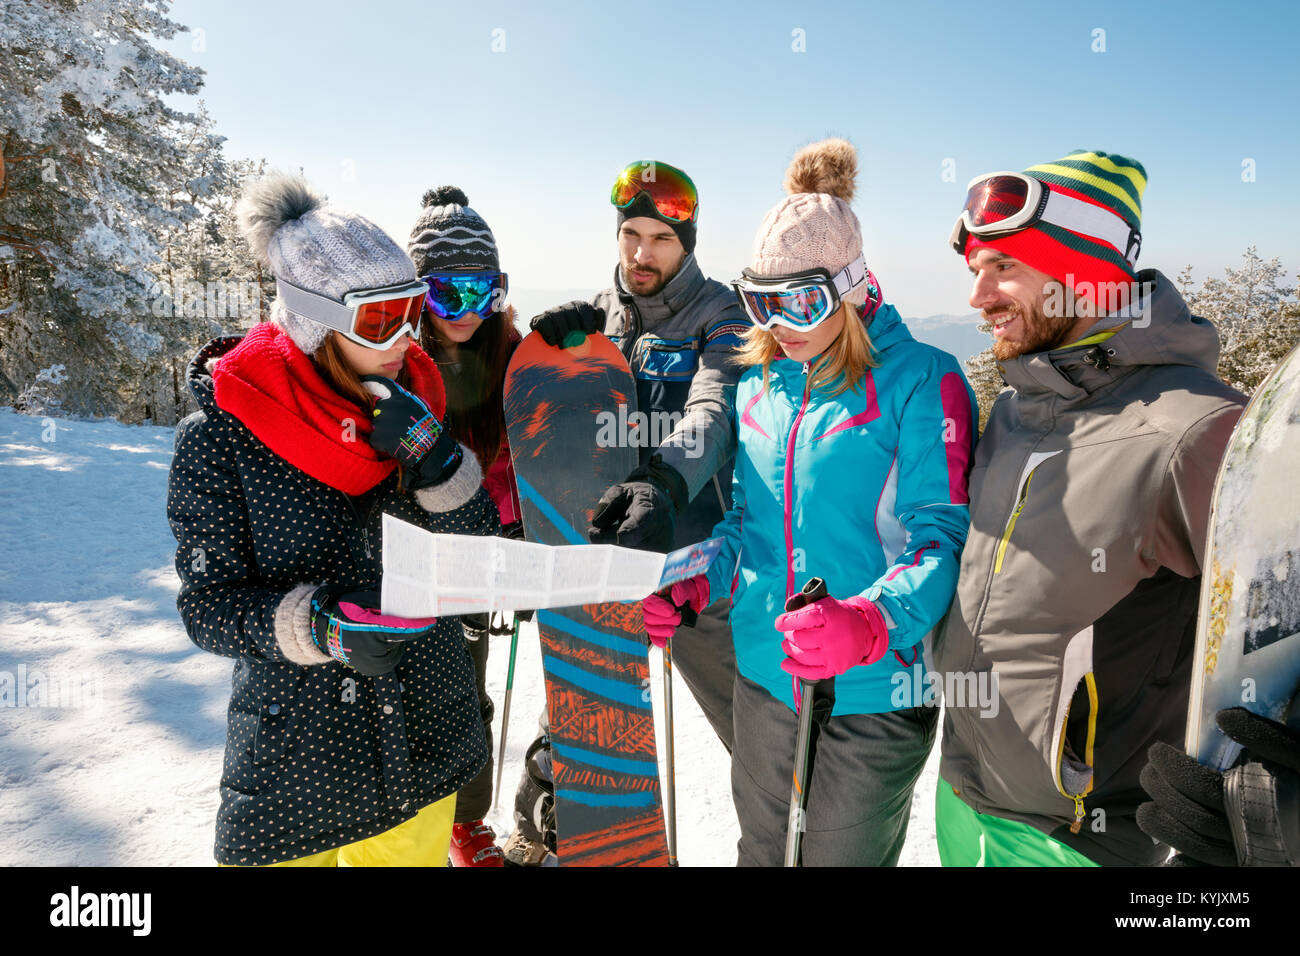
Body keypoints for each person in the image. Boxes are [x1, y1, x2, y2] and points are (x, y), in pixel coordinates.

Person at [645, 139, 977, 865]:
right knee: (763, 855)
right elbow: (746, 527)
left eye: (800, 301)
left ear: (854, 288)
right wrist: (703, 580)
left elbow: (940, 538)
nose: (778, 324)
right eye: (760, 302)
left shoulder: (924, 381)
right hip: (765, 675)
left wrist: (867, 621)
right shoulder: (759, 385)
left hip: (876, 689)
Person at [167, 172, 499, 866]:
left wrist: (438, 464)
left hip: (423, 737)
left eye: (414, 309)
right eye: (382, 318)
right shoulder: (223, 435)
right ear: (317, 317)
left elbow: (478, 563)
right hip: (300, 762)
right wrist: (318, 626)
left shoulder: (416, 407)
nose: (409, 337)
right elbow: (209, 607)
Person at [933, 150, 1248, 866]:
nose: (979, 298)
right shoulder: (1018, 407)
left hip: (1085, 835)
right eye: (975, 271)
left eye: (1004, 267)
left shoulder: (1196, 429)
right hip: (963, 794)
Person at [506, 159, 749, 864]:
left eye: (660, 240)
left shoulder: (720, 316)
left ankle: (784, 834)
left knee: (756, 732)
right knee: (582, 722)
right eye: (630, 234)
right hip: (608, 556)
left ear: (689, 242)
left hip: (696, 563)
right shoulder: (601, 315)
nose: (641, 254)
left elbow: (715, 411)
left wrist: (663, 484)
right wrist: (561, 355)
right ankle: (546, 830)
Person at [407, 185, 522, 866]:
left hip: (475, 560)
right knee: (409, 699)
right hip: (404, 560)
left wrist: (506, 526)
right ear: (420, 294)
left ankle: (464, 823)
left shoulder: (506, 356)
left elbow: (512, 460)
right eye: (449, 295)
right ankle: (406, 823)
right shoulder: (394, 357)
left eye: (483, 293)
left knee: (466, 697)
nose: (467, 313)